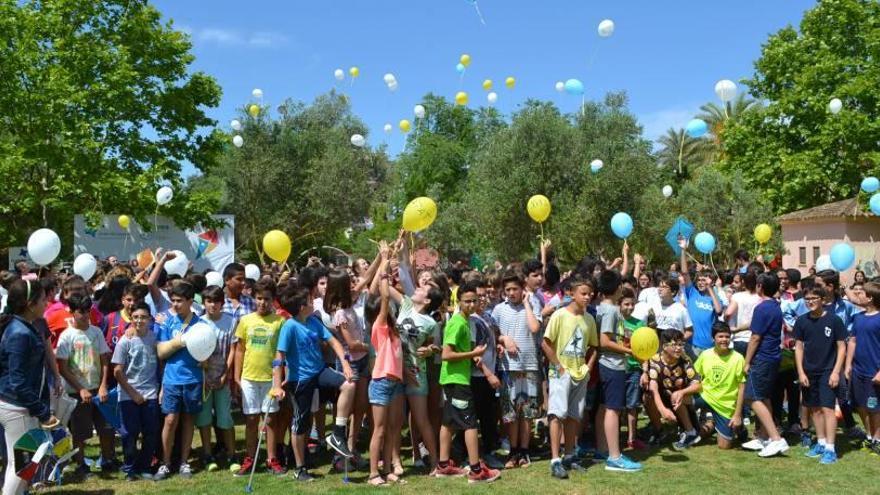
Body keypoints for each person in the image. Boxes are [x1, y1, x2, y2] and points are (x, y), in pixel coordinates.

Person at [273, 284, 356, 482]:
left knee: (348, 384)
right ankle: (300, 468)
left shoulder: (313, 321)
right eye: (310, 301)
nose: (314, 303)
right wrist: (276, 384)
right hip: (300, 380)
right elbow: (279, 357)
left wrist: (345, 365)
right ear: (302, 307)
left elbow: (335, 342)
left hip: (320, 372)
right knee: (301, 423)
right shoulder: (290, 326)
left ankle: (337, 433)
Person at [436, 282, 500, 483]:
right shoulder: (458, 322)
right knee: (470, 424)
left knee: (448, 422)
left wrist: (476, 358)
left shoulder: (467, 321)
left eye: (474, 300)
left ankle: (443, 465)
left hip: (453, 379)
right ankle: (476, 471)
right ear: (458, 301)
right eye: (467, 301)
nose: (472, 304)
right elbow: (447, 354)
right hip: (457, 380)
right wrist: (474, 353)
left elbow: (465, 352)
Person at [0, 279, 58, 495]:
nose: (47, 303)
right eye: (43, 299)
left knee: (20, 465)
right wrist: (42, 412)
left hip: (18, 405)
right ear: (30, 303)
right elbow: (17, 380)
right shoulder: (19, 333)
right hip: (17, 408)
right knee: (22, 466)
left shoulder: (23, 327)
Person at [542, 276, 597, 479]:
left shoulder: (589, 319)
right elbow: (546, 343)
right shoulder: (559, 315)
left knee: (574, 415)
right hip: (560, 373)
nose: (587, 297)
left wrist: (587, 368)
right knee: (557, 413)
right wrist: (558, 366)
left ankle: (570, 455)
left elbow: (594, 347)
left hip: (579, 374)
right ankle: (555, 459)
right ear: (571, 294)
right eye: (583, 293)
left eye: (590, 294)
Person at [55, 293, 114, 476]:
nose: (85, 315)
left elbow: (105, 360)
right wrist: (80, 389)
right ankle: (81, 464)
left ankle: (108, 459)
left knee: (106, 427)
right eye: (81, 312)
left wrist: (103, 385)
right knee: (80, 432)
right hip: (76, 391)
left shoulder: (96, 332)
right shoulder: (67, 336)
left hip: (97, 388)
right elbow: (63, 368)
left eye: (88, 311)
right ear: (72, 312)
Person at [233, 279, 285, 476]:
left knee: (270, 419)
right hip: (249, 377)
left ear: (273, 300)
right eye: (259, 298)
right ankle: (250, 457)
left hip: (270, 378)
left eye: (267, 299)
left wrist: (279, 378)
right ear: (254, 298)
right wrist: (236, 377)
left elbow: (281, 353)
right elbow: (240, 349)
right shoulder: (246, 321)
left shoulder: (279, 322)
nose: (262, 302)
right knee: (251, 419)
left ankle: (272, 459)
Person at [154, 282, 204, 480]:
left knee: (188, 420)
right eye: (173, 300)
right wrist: (178, 343)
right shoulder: (167, 322)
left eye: (179, 301)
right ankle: (165, 463)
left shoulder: (201, 324)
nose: (175, 304)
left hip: (193, 379)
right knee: (170, 420)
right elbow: (161, 352)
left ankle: (184, 462)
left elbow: (206, 353)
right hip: (171, 379)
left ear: (190, 301)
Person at [493, 272, 542, 468]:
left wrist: (527, 304)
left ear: (522, 289)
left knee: (527, 412)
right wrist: (503, 339)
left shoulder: (532, 304)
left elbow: (534, 328)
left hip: (529, 365)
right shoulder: (499, 309)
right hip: (508, 366)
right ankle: (513, 452)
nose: (511, 293)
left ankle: (524, 450)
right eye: (508, 290)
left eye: (515, 289)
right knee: (511, 413)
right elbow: (493, 333)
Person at [594, 269, 641, 472]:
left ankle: (603, 449)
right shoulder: (612, 310)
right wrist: (630, 350)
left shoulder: (601, 307)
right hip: (612, 365)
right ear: (617, 288)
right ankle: (614, 457)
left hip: (606, 364)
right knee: (613, 409)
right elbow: (604, 341)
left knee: (604, 407)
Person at [794, 286, 846, 464]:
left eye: (814, 298)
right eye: (807, 299)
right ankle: (821, 442)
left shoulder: (834, 320)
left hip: (828, 371)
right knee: (814, 408)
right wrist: (801, 371)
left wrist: (836, 372)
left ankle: (831, 448)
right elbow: (799, 347)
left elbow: (842, 347)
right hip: (809, 371)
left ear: (823, 300)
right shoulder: (801, 321)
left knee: (827, 408)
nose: (810, 302)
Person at [365, 256, 406, 486]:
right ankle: (373, 473)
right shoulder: (379, 327)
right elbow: (386, 296)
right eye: (384, 305)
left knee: (392, 430)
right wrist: (383, 269)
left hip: (394, 383)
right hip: (380, 382)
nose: (388, 306)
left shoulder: (393, 330)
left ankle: (388, 469)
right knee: (379, 430)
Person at [324, 269, 370, 465]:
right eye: (349, 281)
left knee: (360, 407)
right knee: (347, 407)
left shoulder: (349, 300)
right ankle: (339, 455)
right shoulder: (339, 312)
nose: (354, 283)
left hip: (362, 359)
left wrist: (383, 258)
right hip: (350, 362)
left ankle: (351, 449)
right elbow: (351, 344)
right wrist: (371, 346)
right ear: (341, 287)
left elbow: (367, 278)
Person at [741, 272, 789, 458]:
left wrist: (747, 362)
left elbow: (755, 337)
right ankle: (764, 436)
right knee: (764, 396)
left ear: (760, 286)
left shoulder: (761, 308)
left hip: (762, 358)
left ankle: (776, 439)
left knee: (753, 398)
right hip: (772, 357)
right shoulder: (775, 306)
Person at [112, 302, 160, 480]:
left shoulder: (155, 338)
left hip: (150, 392)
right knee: (129, 433)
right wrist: (133, 394)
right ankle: (129, 468)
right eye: (136, 317)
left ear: (149, 319)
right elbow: (117, 371)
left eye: (143, 317)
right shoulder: (126, 341)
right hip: (128, 394)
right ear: (131, 319)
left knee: (150, 432)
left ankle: (145, 465)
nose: (139, 321)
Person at [196, 286, 236, 469]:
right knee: (204, 419)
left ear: (222, 303)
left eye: (216, 301)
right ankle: (207, 454)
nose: (213, 305)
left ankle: (232, 454)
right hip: (204, 380)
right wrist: (203, 372)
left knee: (225, 418)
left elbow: (233, 351)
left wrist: (225, 376)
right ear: (204, 303)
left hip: (222, 378)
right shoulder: (198, 323)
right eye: (209, 301)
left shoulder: (231, 322)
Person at [645, 329, 702, 450]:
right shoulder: (654, 360)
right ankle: (660, 431)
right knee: (647, 396)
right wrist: (662, 410)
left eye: (681, 344)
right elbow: (653, 387)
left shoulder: (685, 361)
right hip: (661, 399)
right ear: (664, 346)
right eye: (675, 344)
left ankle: (690, 431)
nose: (679, 348)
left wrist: (682, 392)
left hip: (680, 401)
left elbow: (698, 385)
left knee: (676, 395)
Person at [692, 322, 746, 449]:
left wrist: (737, 414)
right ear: (713, 338)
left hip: (725, 405)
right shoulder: (705, 354)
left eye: (727, 337)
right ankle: (695, 428)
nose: (724, 340)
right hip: (705, 396)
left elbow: (742, 387)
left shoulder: (738, 358)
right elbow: (694, 376)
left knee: (724, 446)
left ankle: (739, 427)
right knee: (683, 400)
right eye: (720, 336)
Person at [846, 281, 880, 455]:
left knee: (874, 407)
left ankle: (877, 439)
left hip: (874, 371)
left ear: (870, 298)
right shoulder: (858, 317)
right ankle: (868, 435)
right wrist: (848, 365)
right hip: (858, 370)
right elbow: (852, 341)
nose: (857, 295)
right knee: (860, 405)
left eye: (861, 293)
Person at [679, 239, 722, 359]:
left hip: (709, 346)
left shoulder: (715, 297)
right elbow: (684, 272)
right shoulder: (692, 293)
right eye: (699, 280)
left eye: (704, 280)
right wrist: (683, 250)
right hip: (692, 345)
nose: (701, 283)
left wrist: (710, 289)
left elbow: (718, 310)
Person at [619, 287, 646, 450]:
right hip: (617, 368)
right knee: (615, 406)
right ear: (619, 304)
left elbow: (645, 349)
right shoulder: (615, 320)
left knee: (632, 405)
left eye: (632, 304)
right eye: (626, 304)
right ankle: (614, 438)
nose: (630, 307)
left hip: (634, 369)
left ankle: (632, 438)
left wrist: (645, 370)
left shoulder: (639, 324)